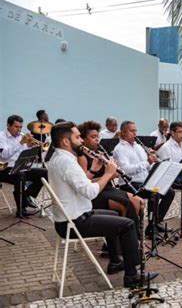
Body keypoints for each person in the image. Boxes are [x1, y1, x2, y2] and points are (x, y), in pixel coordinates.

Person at [48, 121, 154, 288]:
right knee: (128, 224)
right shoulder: (68, 162)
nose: (81, 141)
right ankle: (132, 275)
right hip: (75, 222)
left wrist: (94, 169)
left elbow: (80, 184)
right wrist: (108, 174)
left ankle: (117, 261)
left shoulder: (58, 158)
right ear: (66, 142)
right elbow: (90, 192)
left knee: (117, 216)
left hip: (71, 217)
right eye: (77, 137)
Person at [77, 121, 143, 233]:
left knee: (139, 202)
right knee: (128, 205)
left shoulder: (98, 152)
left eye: (98, 136)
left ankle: (132, 236)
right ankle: (126, 238)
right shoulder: (82, 157)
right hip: (96, 193)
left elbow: (109, 175)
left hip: (107, 189)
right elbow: (85, 183)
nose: (97, 140)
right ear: (83, 139)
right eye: (93, 137)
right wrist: (108, 175)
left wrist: (114, 171)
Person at [113, 121, 175, 235]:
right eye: (131, 131)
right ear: (123, 133)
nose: (135, 134)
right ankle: (151, 228)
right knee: (154, 193)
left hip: (144, 181)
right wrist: (147, 162)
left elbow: (147, 166)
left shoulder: (138, 146)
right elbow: (125, 170)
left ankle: (156, 222)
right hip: (129, 183)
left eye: (136, 131)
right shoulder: (119, 149)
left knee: (169, 192)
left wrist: (154, 163)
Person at [0, 115, 47, 217]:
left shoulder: (21, 136)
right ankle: (21, 209)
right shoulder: (1, 137)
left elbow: (24, 155)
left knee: (45, 173)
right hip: (4, 168)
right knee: (20, 176)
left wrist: (32, 149)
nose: (19, 130)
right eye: (16, 127)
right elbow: (4, 155)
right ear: (8, 125)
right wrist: (21, 142)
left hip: (20, 167)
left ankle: (27, 195)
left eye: (21, 127)